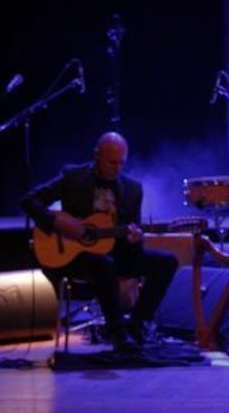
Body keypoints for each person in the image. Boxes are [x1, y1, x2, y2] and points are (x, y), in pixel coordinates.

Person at [20, 131, 178, 349]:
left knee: (167, 261)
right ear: (97, 155)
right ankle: (117, 333)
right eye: (112, 162)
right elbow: (29, 200)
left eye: (121, 163)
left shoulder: (133, 189)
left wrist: (135, 240)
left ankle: (137, 323)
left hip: (117, 254)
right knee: (103, 263)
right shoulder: (72, 177)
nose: (117, 168)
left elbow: (131, 235)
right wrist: (58, 222)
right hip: (77, 257)